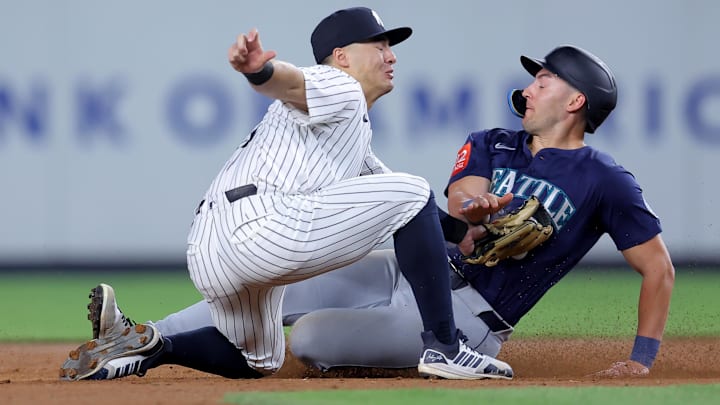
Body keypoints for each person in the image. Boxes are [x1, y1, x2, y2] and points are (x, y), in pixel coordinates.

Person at [78, 44, 674, 379]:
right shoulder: (495, 140)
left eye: (545, 79)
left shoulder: (607, 181)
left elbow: (659, 270)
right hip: (414, 269)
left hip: (477, 316)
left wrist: (643, 360)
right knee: (287, 285)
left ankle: (442, 351)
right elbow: (461, 199)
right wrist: (479, 208)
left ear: (576, 101)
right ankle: (138, 336)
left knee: (310, 339)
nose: (532, 85)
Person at [59, 6, 513, 382]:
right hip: (264, 227)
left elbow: (407, 207)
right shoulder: (340, 87)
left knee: (258, 359)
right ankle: (445, 348)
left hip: (212, 248)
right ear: (342, 56)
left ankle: (148, 347)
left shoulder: (353, 140)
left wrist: (464, 230)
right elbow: (292, 83)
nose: (390, 55)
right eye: (379, 45)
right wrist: (261, 71)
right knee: (413, 189)